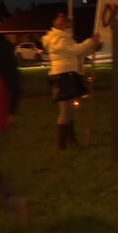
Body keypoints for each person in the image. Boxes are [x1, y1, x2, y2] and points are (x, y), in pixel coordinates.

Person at [42, 13, 101, 150]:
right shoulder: (59, 40)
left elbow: (75, 53)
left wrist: (92, 47)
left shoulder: (61, 38)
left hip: (66, 76)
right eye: (68, 24)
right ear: (61, 25)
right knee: (65, 111)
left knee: (69, 110)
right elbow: (76, 50)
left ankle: (69, 139)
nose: (69, 27)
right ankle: (61, 143)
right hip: (63, 78)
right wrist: (91, 41)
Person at [0, 29, 28, 224]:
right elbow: (14, 79)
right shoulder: (1, 43)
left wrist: (12, 109)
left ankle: (12, 199)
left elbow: (12, 79)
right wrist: (12, 109)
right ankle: (13, 200)